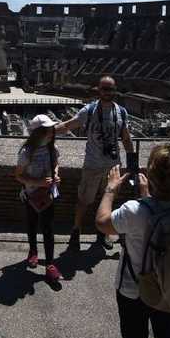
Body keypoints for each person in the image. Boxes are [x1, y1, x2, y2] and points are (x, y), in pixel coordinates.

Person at [95, 143, 170, 338]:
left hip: (134, 290)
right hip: (169, 286)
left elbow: (102, 223)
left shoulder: (134, 211)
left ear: (151, 174)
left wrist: (111, 189)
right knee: (167, 336)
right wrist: (147, 197)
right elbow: (160, 215)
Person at [55, 76, 133, 251]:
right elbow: (68, 125)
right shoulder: (88, 111)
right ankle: (76, 231)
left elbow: (126, 138)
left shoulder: (121, 112)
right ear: (98, 90)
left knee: (108, 200)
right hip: (92, 165)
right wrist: (47, 132)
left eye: (111, 89)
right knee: (84, 200)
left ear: (115, 90)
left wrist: (132, 159)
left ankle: (103, 232)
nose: (108, 92)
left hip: (113, 166)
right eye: (105, 89)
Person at [14, 114, 63, 283]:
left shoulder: (52, 148)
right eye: (47, 132)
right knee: (32, 224)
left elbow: (56, 164)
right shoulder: (26, 152)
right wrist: (38, 181)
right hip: (31, 195)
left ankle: (50, 264)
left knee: (48, 228)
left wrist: (55, 174)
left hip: (48, 194)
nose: (50, 134)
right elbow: (18, 176)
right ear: (37, 133)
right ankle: (33, 251)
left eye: (51, 131)